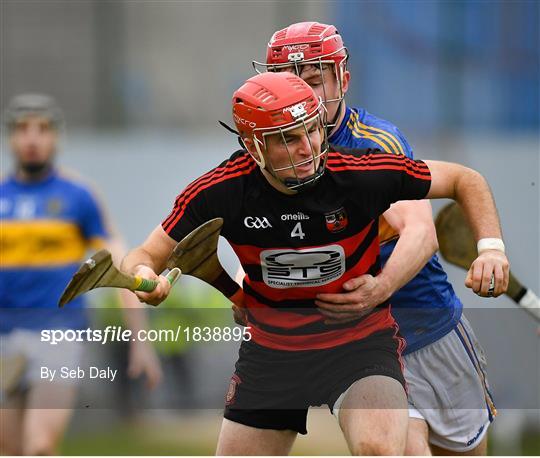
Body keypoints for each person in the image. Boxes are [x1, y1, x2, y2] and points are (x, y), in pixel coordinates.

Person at [121, 72, 508, 455]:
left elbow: (464, 180)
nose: (307, 147)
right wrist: (144, 278)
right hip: (272, 355)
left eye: (311, 130)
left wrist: (491, 249)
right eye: (288, 139)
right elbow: (143, 256)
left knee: (379, 449)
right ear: (253, 147)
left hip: (358, 346)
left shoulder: (359, 174)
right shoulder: (219, 190)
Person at [251, 22, 502, 455]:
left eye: (314, 83)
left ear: (342, 79)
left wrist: (379, 290)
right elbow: (264, 241)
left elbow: (422, 234)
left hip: (429, 329)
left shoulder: (373, 143)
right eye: (292, 85)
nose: (303, 100)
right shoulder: (271, 159)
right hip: (365, 350)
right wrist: (250, 291)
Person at [0, 94, 162, 455]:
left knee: (39, 446)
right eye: (23, 129)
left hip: (58, 336)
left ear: (56, 136)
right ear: (11, 137)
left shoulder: (78, 196)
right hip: (5, 337)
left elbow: (118, 266)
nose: (32, 138)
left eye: (42, 129)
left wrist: (140, 340)